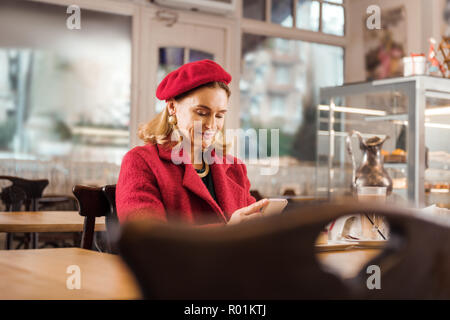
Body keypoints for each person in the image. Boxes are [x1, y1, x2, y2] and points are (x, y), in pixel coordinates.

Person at [116, 60, 268, 226]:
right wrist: (227, 231)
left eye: (219, 116)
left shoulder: (235, 168)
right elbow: (147, 240)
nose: (211, 125)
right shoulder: (141, 161)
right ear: (172, 107)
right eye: (202, 113)